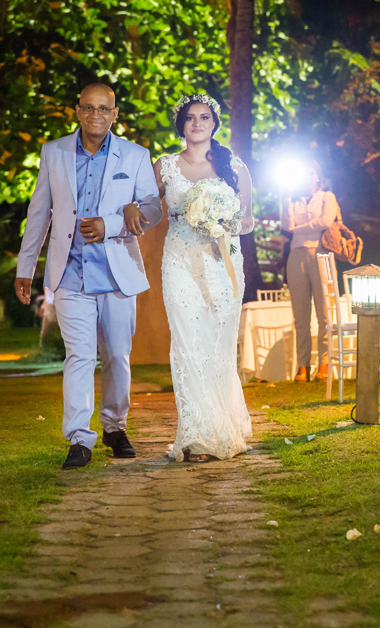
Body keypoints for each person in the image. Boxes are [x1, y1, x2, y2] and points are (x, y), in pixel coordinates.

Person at [14, 82, 163, 470]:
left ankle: (115, 427)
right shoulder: (54, 152)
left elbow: (152, 209)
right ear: (78, 111)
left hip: (118, 273)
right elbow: (39, 213)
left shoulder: (135, 155)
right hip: (70, 273)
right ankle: (79, 438)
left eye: (104, 109)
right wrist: (25, 268)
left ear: (115, 114)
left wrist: (112, 223)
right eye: (88, 108)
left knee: (116, 355)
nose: (96, 115)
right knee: (79, 355)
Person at [133, 93, 254, 462]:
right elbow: (149, 209)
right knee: (188, 344)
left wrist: (226, 223)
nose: (197, 123)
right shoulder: (165, 166)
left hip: (223, 263)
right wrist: (131, 211)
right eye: (190, 118)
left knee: (218, 346)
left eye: (204, 117)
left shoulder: (234, 166)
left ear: (214, 124)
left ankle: (224, 425)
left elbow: (249, 220)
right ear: (181, 125)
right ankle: (197, 435)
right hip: (180, 262)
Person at [281, 162, 336, 382]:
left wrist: (298, 229)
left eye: (310, 173)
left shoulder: (326, 197)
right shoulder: (293, 199)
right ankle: (303, 365)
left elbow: (325, 221)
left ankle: (324, 363)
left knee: (324, 314)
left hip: (321, 254)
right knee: (300, 316)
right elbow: (287, 225)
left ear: (317, 177)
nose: (306, 177)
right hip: (296, 255)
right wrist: (285, 198)